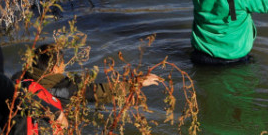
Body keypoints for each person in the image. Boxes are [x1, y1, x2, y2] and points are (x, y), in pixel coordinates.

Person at [16, 43, 162, 105]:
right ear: (54, 68)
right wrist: (136, 83)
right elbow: (101, 92)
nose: (64, 67)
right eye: (62, 64)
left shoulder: (19, 79)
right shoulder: (66, 87)